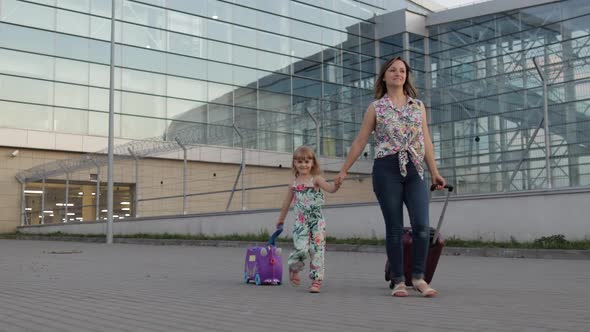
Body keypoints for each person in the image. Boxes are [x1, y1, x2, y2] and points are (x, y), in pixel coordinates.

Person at [334, 57, 446, 297]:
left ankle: (418, 277)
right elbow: (360, 140)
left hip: (415, 169)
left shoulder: (418, 106)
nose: (398, 73)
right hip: (387, 169)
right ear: (384, 77)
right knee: (394, 228)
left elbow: (426, 140)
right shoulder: (376, 108)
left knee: (421, 226)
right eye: (393, 70)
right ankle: (398, 280)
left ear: (407, 76)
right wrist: (344, 170)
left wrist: (435, 172)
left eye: (402, 70)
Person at [276, 145, 340, 293]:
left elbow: (330, 188)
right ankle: (295, 268)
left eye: (307, 161)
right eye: (299, 161)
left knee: (317, 250)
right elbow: (286, 202)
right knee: (301, 248)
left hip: (317, 221)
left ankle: (316, 280)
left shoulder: (316, 179)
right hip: (301, 222)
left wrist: (337, 184)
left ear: (312, 163)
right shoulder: (293, 183)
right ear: (294, 164)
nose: (303, 164)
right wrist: (281, 219)